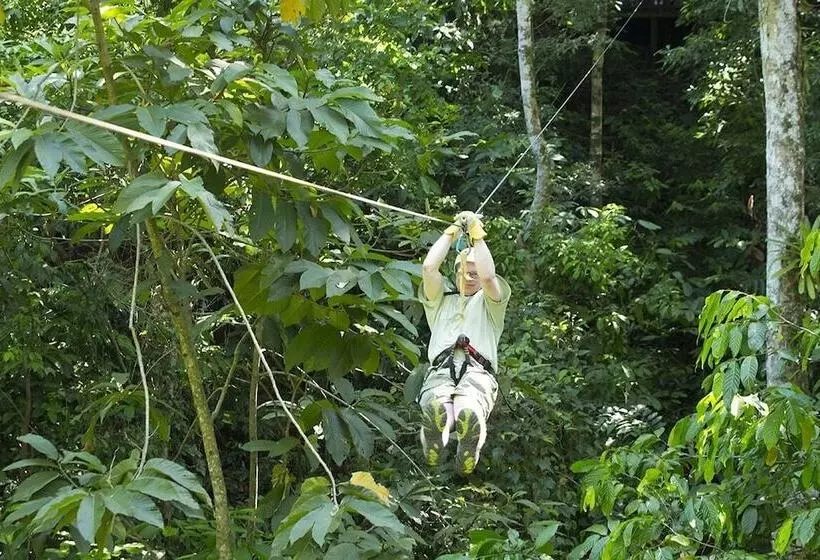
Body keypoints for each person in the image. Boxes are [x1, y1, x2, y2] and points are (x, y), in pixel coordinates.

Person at [417, 211, 511, 475]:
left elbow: (489, 277)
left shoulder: (491, 304)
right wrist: (451, 232)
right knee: (438, 406)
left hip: (477, 371)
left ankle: (468, 447)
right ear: (456, 273)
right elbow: (428, 268)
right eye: (464, 272)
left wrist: (477, 236)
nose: (470, 278)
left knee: (469, 407)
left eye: (474, 273)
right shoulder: (439, 300)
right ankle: (436, 438)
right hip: (441, 370)